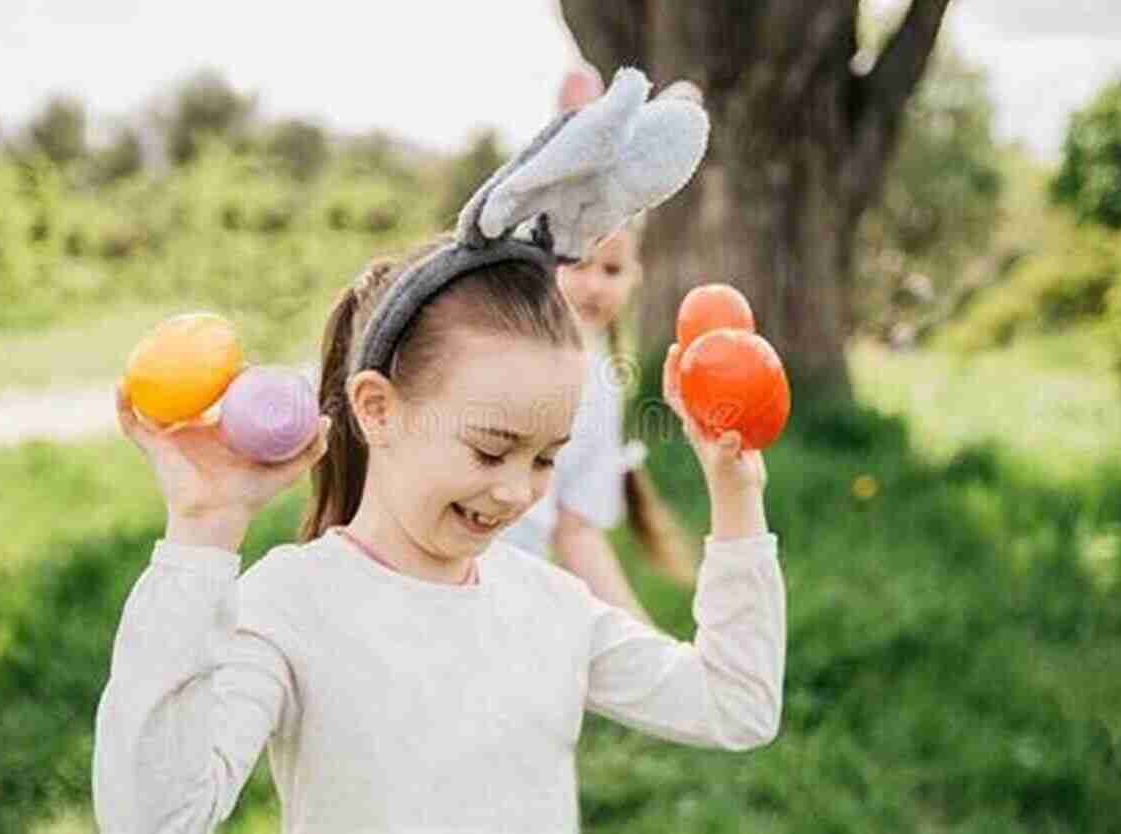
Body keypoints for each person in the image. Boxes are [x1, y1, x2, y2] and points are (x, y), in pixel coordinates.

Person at [94, 68, 784, 833]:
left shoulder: (548, 605)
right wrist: (201, 532)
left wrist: (734, 490)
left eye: (546, 458)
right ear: (377, 410)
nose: (522, 492)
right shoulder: (293, 604)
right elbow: (154, 818)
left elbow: (738, 705)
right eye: (492, 451)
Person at [497, 219, 700, 620]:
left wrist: (642, 637)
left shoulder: (602, 384)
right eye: (577, 264)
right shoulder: (492, 357)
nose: (594, 286)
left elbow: (575, 529)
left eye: (611, 269)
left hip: (510, 596)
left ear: (635, 276)